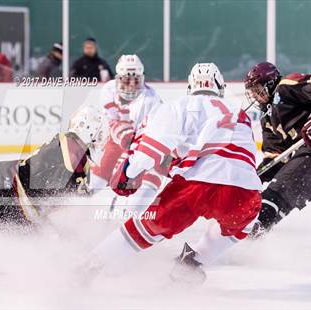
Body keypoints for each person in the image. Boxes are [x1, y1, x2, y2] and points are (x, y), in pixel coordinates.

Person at [89, 63, 262, 283]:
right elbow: (246, 160)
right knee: (243, 224)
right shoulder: (239, 112)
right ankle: (193, 262)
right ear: (220, 86)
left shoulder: (181, 104)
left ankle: (89, 267)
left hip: (195, 188)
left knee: (141, 229)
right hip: (245, 190)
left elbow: (154, 145)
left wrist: (128, 172)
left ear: (191, 85)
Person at [0, 105, 108, 227]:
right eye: (99, 134)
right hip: (1, 191)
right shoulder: (70, 152)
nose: (101, 141)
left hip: (12, 201)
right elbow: (59, 201)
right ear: (88, 129)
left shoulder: (77, 155)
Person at [244, 62, 311, 237]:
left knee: (276, 192)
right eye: (252, 91)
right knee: (282, 200)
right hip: (308, 162)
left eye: (257, 89)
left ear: (269, 83)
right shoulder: (267, 118)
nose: (254, 95)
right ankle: (247, 242)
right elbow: (275, 158)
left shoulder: (286, 86)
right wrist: (252, 178)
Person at [89, 54, 167, 214]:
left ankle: (125, 218)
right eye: (126, 80)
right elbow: (112, 123)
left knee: (133, 189)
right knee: (95, 182)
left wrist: (134, 154)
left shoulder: (152, 99)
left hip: (141, 147)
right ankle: (70, 209)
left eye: (136, 80)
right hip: (116, 141)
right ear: (118, 78)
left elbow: (153, 134)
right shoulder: (109, 90)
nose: (131, 85)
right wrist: (126, 140)